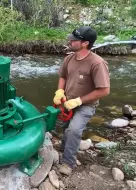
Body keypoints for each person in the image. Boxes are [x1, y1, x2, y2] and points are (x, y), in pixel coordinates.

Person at [53, 26, 110, 175]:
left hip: (86, 105)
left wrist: (79, 101)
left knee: (73, 130)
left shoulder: (97, 63)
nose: (70, 41)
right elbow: (63, 76)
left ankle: (68, 162)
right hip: (67, 102)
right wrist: (59, 91)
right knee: (65, 127)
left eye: (74, 40)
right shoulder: (69, 58)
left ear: (85, 43)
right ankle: (64, 148)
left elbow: (104, 90)